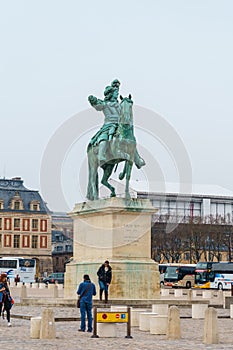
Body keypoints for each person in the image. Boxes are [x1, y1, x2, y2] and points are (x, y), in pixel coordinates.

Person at [88, 79, 145, 168]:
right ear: (111, 94)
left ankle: (137, 159)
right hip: (109, 124)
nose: (117, 95)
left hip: (119, 124)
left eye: (117, 94)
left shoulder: (119, 105)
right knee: (104, 137)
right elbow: (98, 106)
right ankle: (101, 155)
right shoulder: (105, 104)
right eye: (116, 93)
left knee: (130, 139)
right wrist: (93, 101)